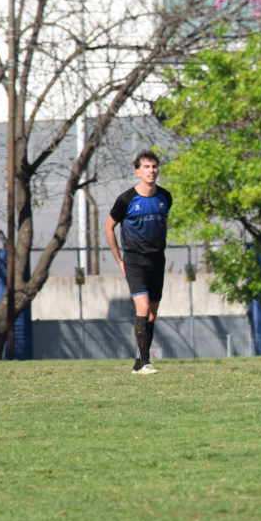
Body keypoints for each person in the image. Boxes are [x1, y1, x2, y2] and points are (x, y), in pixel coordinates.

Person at [105, 150, 172, 375]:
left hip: (157, 260)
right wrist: (120, 261)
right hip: (134, 260)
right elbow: (108, 227)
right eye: (146, 167)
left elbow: (164, 224)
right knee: (142, 308)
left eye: (154, 166)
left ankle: (138, 364)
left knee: (152, 314)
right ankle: (145, 363)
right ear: (137, 172)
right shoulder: (126, 200)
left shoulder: (165, 197)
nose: (151, 170)